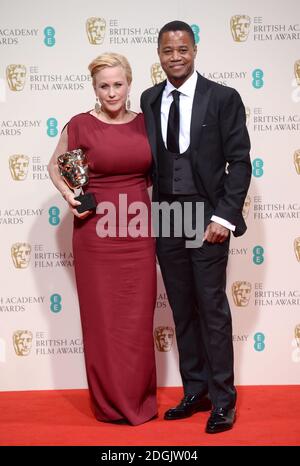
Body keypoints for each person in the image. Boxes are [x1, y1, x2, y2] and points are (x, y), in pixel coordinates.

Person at [141, 21, 251, 433]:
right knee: (182, 309)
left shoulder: (223, 97)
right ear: (158, 53)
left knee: (212, 309)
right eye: (168, 50)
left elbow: (239, 161)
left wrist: (223, 216)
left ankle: (224, 400)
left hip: (206, 216)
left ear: (195, 50)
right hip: (167, 216)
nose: (175, 57)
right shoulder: (150, 98)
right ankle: (196, 390)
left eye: (182, 49)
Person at [48, 53, 157, 425]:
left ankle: (140, 399)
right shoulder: (80, 125)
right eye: (103, 86)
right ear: (94, 89)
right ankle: (109, 404)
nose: (112, 93)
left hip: (138, 233)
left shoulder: (147, 124)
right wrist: (70, 198)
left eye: (118, 84)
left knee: (137, 320)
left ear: (129, 83)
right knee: (103, 321)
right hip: (95, 234)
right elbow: (55, 165)